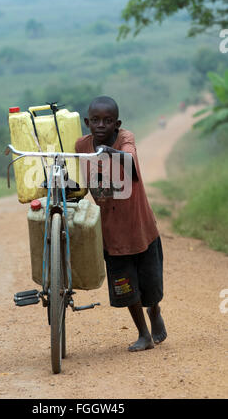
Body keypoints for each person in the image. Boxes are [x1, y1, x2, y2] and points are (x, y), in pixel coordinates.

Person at [75, 96, 167, 352]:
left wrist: (109, 153)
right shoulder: (82, 145)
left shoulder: (125, 139)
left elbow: (129, 161)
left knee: (151, 286)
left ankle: (155, 310)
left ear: (117, 123)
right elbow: (81, 179)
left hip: (140, 227)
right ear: (87, 122)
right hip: (112, 234)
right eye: (95, 120)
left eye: (107, 121)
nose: (101, 125)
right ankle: (143, 334)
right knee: (126, 287)